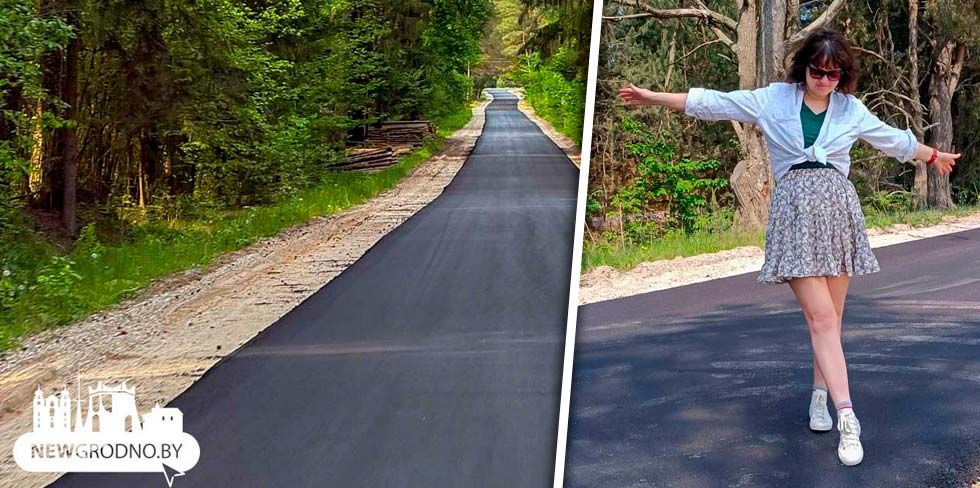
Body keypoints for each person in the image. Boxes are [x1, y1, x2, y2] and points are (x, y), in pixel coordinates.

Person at [617, 27, 958, 467]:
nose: (825, 80)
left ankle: (820, 396)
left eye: (834, 75)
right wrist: (654, 97)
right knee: (820, 318)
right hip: (794, 216)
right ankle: (848, 418)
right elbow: (716, 102)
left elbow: (893, 139)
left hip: (838, 214)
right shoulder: (774, 99)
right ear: (805, 68)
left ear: (843, 76)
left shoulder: (849, 109)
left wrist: (933, 156)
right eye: (818, 71)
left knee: (831, 321)